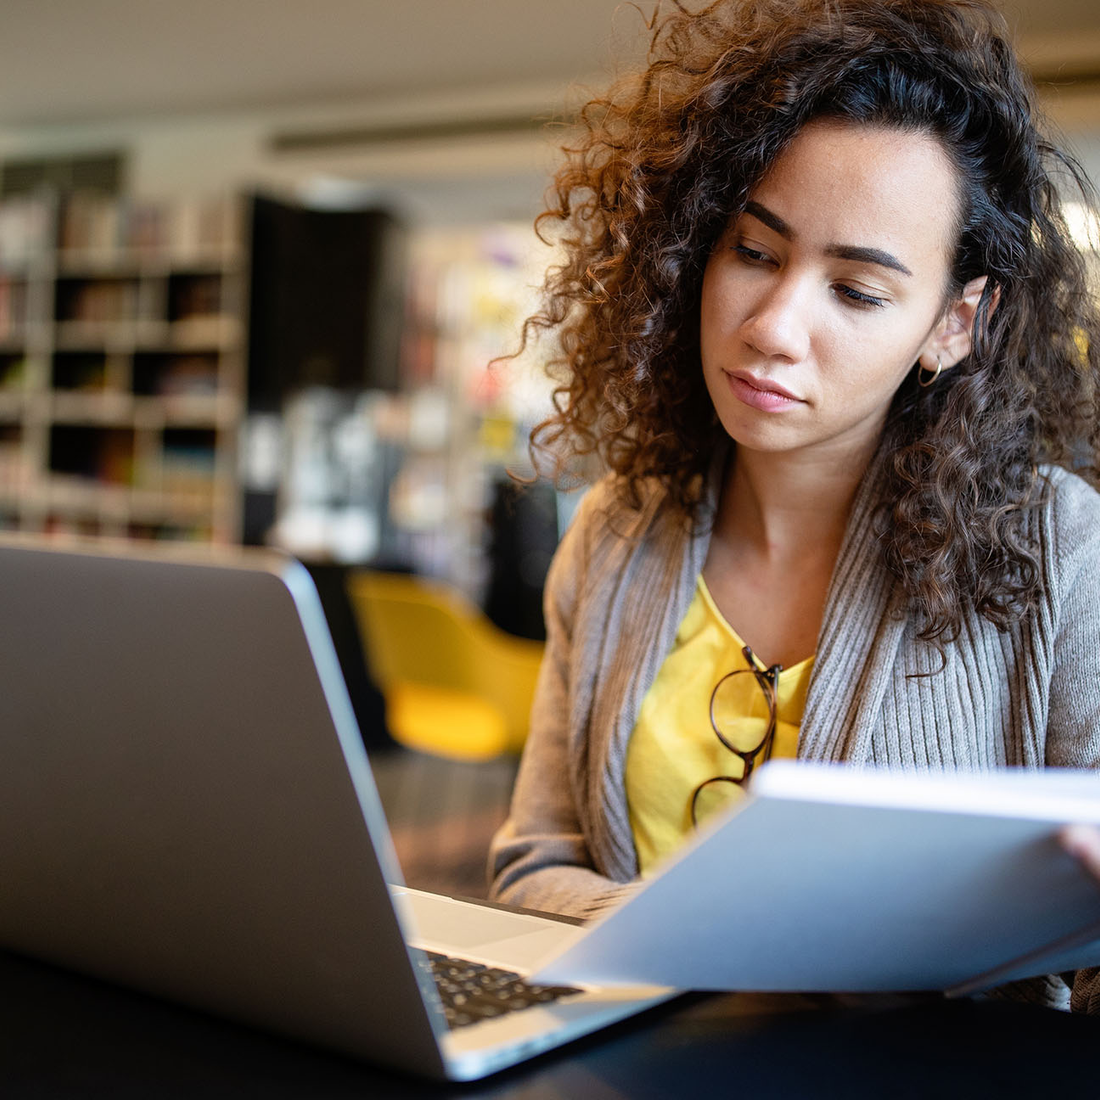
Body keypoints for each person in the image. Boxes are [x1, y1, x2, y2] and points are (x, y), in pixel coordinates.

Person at [487, 0, 1100, 1013]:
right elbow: (529, 867)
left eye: (856, 291)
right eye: (754, 253)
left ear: (952, 324)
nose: (771, 327)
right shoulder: (614, 533)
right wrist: (720, 960)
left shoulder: (1059, 550)